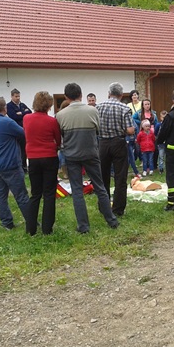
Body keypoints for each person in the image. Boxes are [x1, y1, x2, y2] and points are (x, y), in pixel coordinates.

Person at [56, 82, 120, 233]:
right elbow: (97, 130)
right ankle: (111, 220)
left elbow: (61, 137)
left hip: (71, 155)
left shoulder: (60, 115)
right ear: (81, 95)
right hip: (91, 153)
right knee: (100, 187)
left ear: (66, 97)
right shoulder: (93, 111)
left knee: (77, 191)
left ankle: (83, 226)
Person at [0, 96, 30, 230]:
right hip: (9, 163)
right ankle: (31, 221)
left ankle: (7, 222)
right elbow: (24, 133)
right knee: (21, 195)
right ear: (4, 108)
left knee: (0, 195)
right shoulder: (6, 122)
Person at [23, 91, 61, 236]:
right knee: (49, 194)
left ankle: (31, 228)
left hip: (33, 158)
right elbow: (58, 140)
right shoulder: (52, 121)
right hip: (49, 157)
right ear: (49, 105)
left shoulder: (26, 118)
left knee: (35, 194)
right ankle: (47, 228)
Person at [96, 82, 135, 217]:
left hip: (103, 143)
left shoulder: (98, 107)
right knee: (120, 177)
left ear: (109, 93)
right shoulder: (124, 108)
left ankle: (104, 207)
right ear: (121, 95)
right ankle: (118, 209)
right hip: (118, 143)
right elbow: (130, 130)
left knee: (103, 176)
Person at [6, 88, 32, 171]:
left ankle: (24, 166)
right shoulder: (9, 106)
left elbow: (30, 112)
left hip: (23, 130)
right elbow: (13, 116)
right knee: (17, 150)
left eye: (19, 96)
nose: (18, 98)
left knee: (24, 149)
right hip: (15, 131)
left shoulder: (22, 105)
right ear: (12, 96)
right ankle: (18, 166)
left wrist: (21, 113)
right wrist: (24, 113)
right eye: (16, 96)